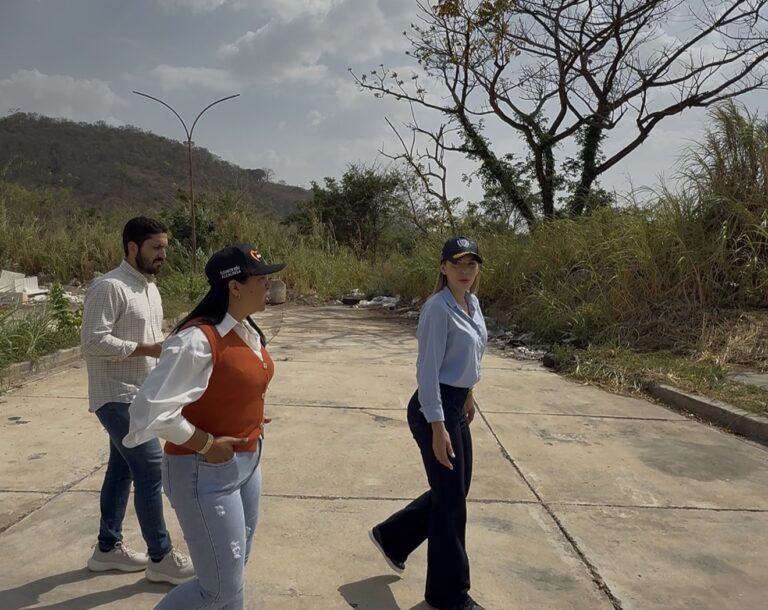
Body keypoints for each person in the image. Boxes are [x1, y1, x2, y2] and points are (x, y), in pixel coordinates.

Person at [123, 243, 285, 610]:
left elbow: (233, 385)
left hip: (246, 465)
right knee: (217, 589)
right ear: (234, 287)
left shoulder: (246, 330)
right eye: (260, 279)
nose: (268, 285)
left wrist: (246, 412)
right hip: (204, 472)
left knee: (232, 575)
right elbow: (149, 411)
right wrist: (207, 443)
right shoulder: (196, 340)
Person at [369, 237, 488, 610]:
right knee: (452, 502)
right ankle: (448, 595)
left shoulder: (472, 303)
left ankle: (393, 537)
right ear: (443, 268)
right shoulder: (437, 309)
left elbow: (470, 356)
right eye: (457, 264)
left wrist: (469, 393)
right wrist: (437, 427)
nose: (465, 271)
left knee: (455, 489)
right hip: (431, 407)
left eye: (471, 264)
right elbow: (427, 371)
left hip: (456, 402)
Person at [81, 216, 193, 584]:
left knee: (122, 469)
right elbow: (92, 342)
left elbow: (154, 339)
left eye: (164, 247)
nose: (163, 254)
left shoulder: (149, 288)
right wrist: (148, 348)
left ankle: (107, 548)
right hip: (115, 396)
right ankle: (160, 556)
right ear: (132, 247)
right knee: (149, 468)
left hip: (142, 395)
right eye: (155, 248)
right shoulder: (109, 287)